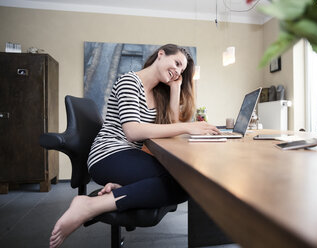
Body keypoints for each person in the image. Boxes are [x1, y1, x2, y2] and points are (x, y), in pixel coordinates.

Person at [49, 44, 220, 248]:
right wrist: (189, 127)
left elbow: (170, 127)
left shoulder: (158, 93)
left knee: (186, 180)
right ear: (161, 54)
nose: (177, 71)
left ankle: (124, 188)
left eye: (181, 70)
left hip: (127, 155)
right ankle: (89, 205)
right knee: (183, 181)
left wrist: (175, 89)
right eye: (176, 63)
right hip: (107, 154)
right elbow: (133, 131)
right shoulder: (130, 81)